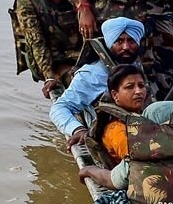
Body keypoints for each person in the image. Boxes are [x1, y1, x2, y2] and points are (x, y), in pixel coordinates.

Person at [52, 17, 145, 146]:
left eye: (131, 41)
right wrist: (77, 130)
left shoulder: (136, 64)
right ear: (109, 43)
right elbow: (59, 108)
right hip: (111, 134)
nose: (126, 47)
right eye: (119, 41)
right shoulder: (91, 74)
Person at [11, 0, 82, 99]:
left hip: (79, 51)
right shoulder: (26, 1)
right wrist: (49, 75)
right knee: (78, 81)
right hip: (53, 58)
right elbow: (36, 42)